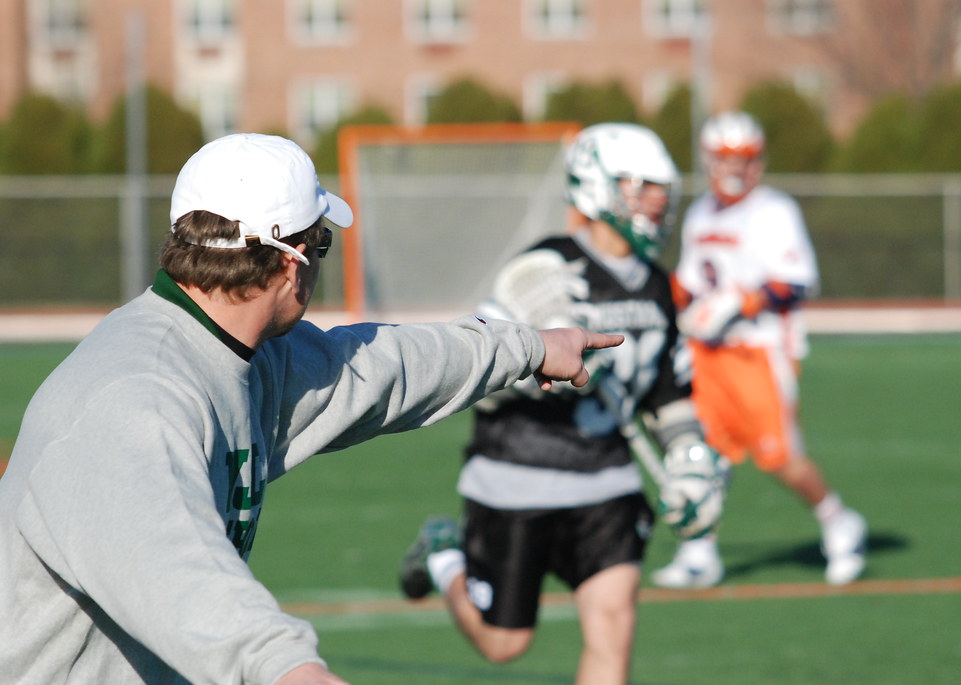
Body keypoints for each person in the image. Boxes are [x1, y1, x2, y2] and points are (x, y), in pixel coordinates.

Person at [0, 133, 623, 685]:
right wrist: (288, 668)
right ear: (290, 260)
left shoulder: (238, 354)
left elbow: (382, 366)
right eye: (320, 242)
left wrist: (529, 345)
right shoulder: (137, 400)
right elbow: (180, 575)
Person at [397, 123, 725, 685]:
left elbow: (667, 393)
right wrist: (542, 357)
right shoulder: (543, 268)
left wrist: (690, 455)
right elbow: (484, 369)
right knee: (504, 644)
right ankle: (443, 554)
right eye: (638, 186)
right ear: (597, 186)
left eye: (659, 189)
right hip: (519, 470)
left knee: (612, 627)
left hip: (608, 479)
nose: (655, 201)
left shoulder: (655, 287)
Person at [653, 111, 868, 589]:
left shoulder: (773, 211)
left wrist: (740, 301)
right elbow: (689, 283)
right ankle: (700, 550)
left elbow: (794, 282)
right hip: (708, 354)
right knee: (707, 453)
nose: (737, 169)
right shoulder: (702, 213)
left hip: (759, 350)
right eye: (727, 159)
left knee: (778, 456)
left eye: (746, 159)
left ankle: (838, 522)